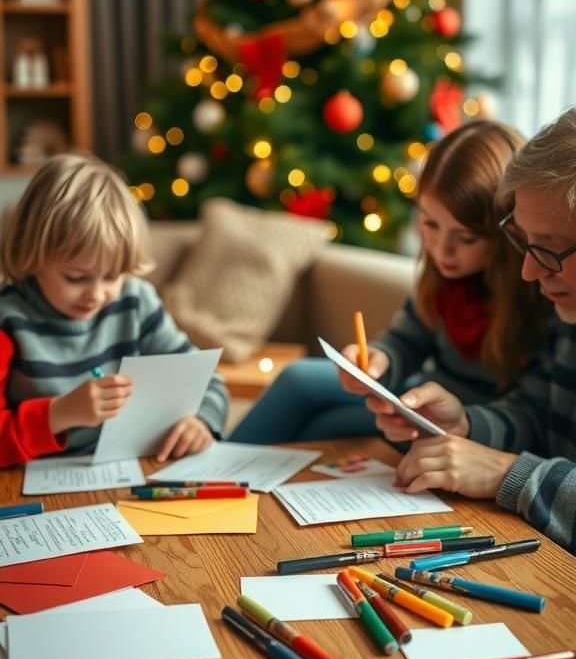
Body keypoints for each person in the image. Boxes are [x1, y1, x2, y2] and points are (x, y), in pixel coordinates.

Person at [229, 119, 544, 444]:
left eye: (465, 238)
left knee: (322, 425)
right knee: (301, 386)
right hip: (416, 400)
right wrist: (379, 361)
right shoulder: (444, 277)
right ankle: (214, 475)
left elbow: (529, 415)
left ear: (506, 234)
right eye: (430, 224)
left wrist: (460, 421)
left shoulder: (539, 294)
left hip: (464, 424)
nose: (441, 249)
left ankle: (218, 472)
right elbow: (406, 340)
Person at [369, 107, 576, 554]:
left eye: (551, 250)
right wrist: (464, 422)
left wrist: (508, 473)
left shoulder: (548, 309)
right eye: (524, 242)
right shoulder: (569, 319)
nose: (528, 271)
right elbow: (537, 417)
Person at [0, 153, 228, 467]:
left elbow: (207, 382)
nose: (96, 294)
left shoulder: (135, 300)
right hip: (37, 483)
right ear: (30, 256)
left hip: (130, 471)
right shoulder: (8, 319)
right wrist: (60, 413)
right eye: (76, 277)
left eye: (112, 276)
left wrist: (201, 422)